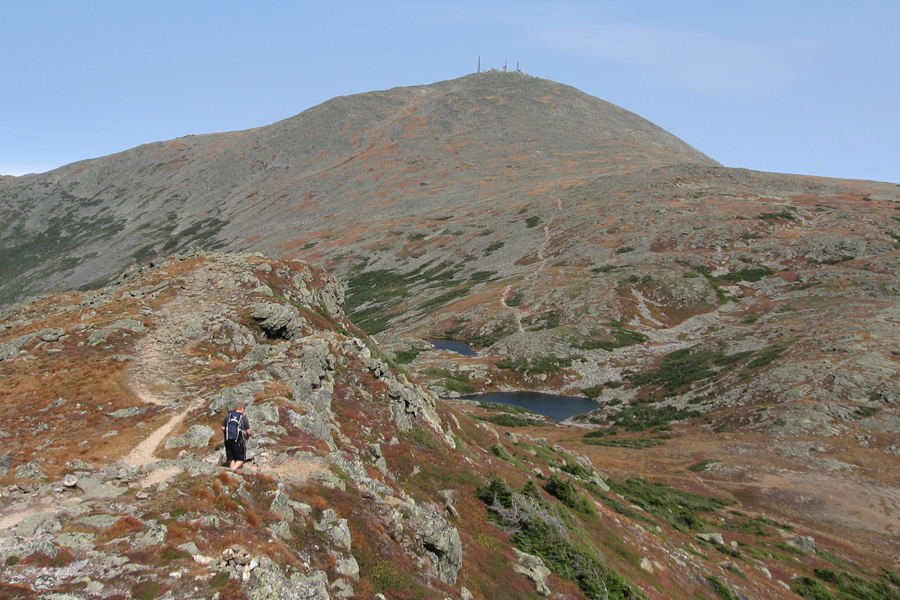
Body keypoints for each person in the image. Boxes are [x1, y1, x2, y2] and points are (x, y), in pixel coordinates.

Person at [221, 401, 251, 470]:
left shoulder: (228, 416)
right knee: (241, 459)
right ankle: (234, 469)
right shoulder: (242, 417)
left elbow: (222, 427)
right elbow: (248, 431)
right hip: (238, 441)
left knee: (232, 459)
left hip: (228, 440)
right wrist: (248, 436)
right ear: (242, 409)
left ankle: (231, 472)